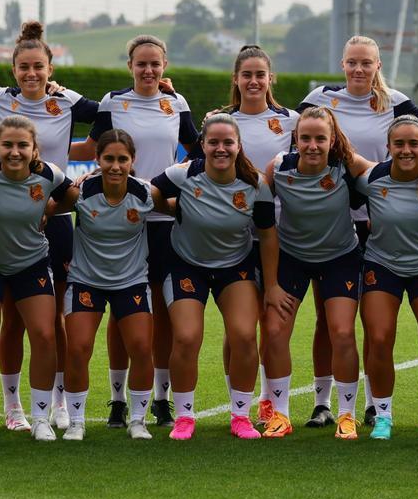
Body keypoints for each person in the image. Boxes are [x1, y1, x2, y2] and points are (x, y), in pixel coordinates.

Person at [0, 21, 101, 432]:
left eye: (38, 66)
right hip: (6, 223)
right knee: (10, 322)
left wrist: (165, 93)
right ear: (13, 69)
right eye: (24, 66)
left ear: (49, 68)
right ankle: (12, 408)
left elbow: (112, 113)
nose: (31, 74)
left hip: (55, 222)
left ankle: (58, 402)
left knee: (54, 320)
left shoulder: (68, 102)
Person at [298, 35, 418, 428]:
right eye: (352, 62)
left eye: (366, 63)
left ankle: (372, 401)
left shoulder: (396, 102)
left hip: (379, 219)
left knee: (373, 318)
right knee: (328, 317)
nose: (359, 69)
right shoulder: (321, 98)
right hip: (331, 220)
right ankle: (322, 401)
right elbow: (292, 130)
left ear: (378, 66)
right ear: (342, 64)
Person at [80, 34, 199, 428]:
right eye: (141, 64)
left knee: (161, 311)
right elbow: (90, 148)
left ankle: (161, 397)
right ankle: (117, 399)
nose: (148, 70)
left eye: (155, 64)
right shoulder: (113, 103)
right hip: (118, 219)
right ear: (129, 66)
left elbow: (196, 150)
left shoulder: (176, 103)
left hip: (163, 220)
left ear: (164, 67)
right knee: (121, 309)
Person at [151, 113, 281, 441]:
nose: (220, 149)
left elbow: (267, 236)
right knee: (186, 336)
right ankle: (183, 416)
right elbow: (151, 192)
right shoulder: (183, 175)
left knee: (243, 335)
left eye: (227, 142)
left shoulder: (256, 185)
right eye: (213, 142)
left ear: (238, 146)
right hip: (185, 265)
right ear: (203, 146)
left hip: (234, 267)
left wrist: (273, 285)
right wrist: (172, 209)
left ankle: (240, 416)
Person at [262, 106, 372, 438]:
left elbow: (386, 174)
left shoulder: (346, 165)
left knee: (341, 332)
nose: (312, 145)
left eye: (320, 139)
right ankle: (280, 415)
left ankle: (346, 415)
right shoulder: (280, 167)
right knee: (275, 331)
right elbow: (249, 194)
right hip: (292, 257)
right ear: (295, 139)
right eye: (305, 138)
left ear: (332, 140)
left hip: (340, 257)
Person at [0, 116, 72, 442]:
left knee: (44, 333)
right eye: (7, 145)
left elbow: (72, 197)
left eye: (22, 145)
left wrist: (48, 211)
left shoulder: (49, 175)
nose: (15, 151)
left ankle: (40, 417)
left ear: (34, 148)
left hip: (32, 263)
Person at [50, 129, 161, 441]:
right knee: (78, 349)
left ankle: (137, 420)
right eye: (109, 158)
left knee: (140, 348)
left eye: (122, 159)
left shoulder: (146, 193)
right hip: (86, 280)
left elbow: (177, 210)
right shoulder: (81, 193)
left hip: (132, 281)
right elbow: (45, 212)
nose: (115, 166)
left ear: (132, 160)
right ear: (97, 160)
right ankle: (76, 422)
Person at [214, 45, 297, 427]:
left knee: (273, 323)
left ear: (270, 78)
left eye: (260, 74)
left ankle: (270, 402)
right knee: (239, 328)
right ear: (236, 79)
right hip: (233, 238)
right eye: (246, 74)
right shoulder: (218, 121)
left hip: (277, 234)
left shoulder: (290, 121)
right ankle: (240, 406)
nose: (253, 81)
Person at [355, 115, 418, 440]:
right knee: (379, 340)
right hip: (382, 266)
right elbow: (340, 156)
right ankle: (382, 416)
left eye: (414, 143)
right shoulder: (372, 178)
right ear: (389, 147)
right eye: (400, 144)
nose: (406, 150)